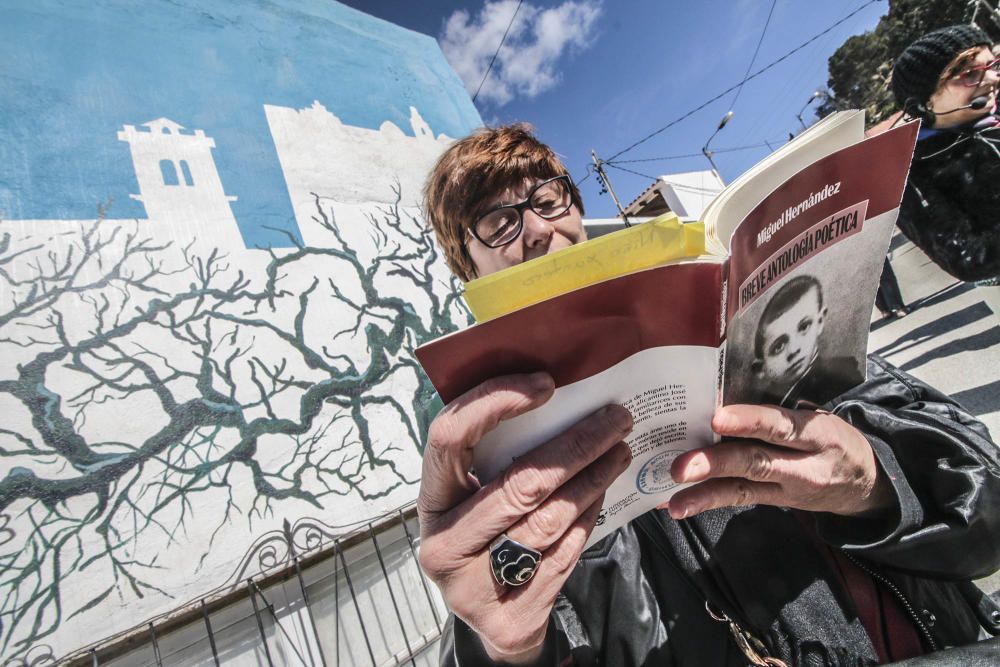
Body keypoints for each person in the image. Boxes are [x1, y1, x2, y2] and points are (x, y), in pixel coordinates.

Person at [417, 124, 1000, 666]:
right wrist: (505, 650)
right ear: (469, 273)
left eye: (548, 200)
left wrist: (877, 486)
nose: (540, 229)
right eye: (499, 223)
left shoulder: (755, 325)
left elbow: (987, 507)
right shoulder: (494, 465)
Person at [892, 24, 1000, 316]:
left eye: (992, 66)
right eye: (970, 74)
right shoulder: (913, 172)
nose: (992, 78)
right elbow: (967, 258)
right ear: (925, 102)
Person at [751, 274, 859, 408]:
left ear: (819, 321)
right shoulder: (763, 407)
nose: (794, 349)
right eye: (778, 347)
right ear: (761, 369)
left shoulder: (845, 376)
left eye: (803, 327)